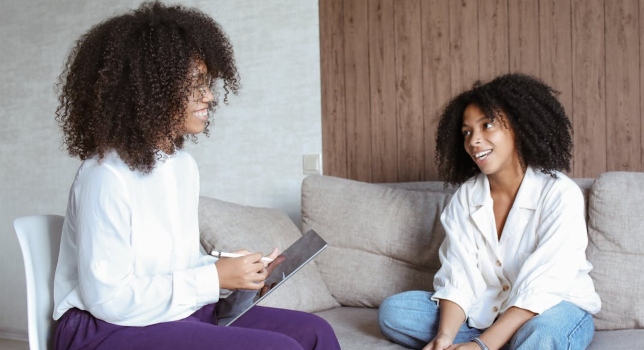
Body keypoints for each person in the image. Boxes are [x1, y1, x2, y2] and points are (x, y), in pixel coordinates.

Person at [52, 2, 340, 349]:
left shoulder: (182, 166)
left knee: (315, 332)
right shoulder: (105, 177)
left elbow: (176, 266)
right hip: (103, 327)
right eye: (195, 85)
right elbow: (109, 300)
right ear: (147, 91)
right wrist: (212, 278)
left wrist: (232, 272)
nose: (209, 97)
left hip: (170, 311)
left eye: (208, 83)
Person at [378, 73, 601, 350]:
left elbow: (544, 286)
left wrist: (483, 346)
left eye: (487, 126)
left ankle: (502, 342)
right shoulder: (466, 197)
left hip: (552, 308)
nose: (474, 141)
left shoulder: (559, 194)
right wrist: (443, 338)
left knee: (544, 335)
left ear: (519, 127)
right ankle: (507, 343)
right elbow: (459, 275)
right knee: (395, 312)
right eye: (467, 132)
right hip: (486, 311)